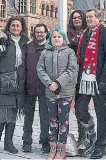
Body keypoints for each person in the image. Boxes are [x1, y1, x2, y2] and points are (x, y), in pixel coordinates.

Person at [75, 9, 106, 159]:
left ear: (98, 18)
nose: (88, 19)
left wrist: (105, 80)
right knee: (79, 109)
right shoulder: (84, 35)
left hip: (99, 80)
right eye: (87, 17)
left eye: (91, 17)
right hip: (85, 80)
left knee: (101, 112)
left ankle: (101, 146)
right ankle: (91, 132)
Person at [0, 16, 29, 155]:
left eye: (18, 25)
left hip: (20, 84)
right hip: (5, 82)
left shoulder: (25, 42)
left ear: (22, 28)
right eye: (13, 25)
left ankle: (8, 142)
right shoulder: (2, 39)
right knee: (3, 114)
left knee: (13, 113)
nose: (15, 28)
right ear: (9, 27)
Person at [37, 27, 78, 160]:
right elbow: (40, 69)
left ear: (63, 39)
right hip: (50, 92)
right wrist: (50, 83)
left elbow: (72, 70)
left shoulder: (69, 52)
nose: (56, 39)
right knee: (52, 120)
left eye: (59, 37)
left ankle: (62, 149)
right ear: (50, 39)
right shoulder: (45, 53)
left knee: (63, 120)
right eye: (54, 37)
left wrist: (58, 83)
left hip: (65, 91)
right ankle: (53, 147)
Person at [22, 24, 50, 153]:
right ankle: (27, 141)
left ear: (46, 33)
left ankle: (45, 141)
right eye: (37, 32)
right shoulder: (28, 46)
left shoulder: (50, 47)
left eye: (42, 32)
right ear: (34, 33)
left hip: (45, 87)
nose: (39, 34)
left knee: (44, 116)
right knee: (28, 115)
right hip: (30, 86)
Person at [67, 9, 87, 146]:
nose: (77, 19)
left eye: (79, 17)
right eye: (74, 17)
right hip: (71, 76)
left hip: (86, 74)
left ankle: (84, 137)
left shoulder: (89, 33)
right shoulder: (67, 35)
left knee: (81, 109)